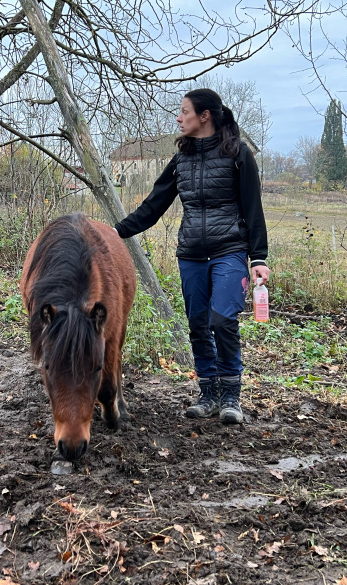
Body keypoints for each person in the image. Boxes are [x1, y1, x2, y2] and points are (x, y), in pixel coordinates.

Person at [113, 88, 270, 424]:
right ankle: (209, 394)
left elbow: (253, 208)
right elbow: (153, 206)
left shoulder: (238, 154)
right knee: (198, 325)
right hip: (191, 255)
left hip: (230, 251)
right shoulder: (181, 160)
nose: (178, 118)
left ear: (205, 116)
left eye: (184, 111)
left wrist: (258, 258)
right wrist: (115, 232)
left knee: (222, 320)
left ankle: (231, 396)